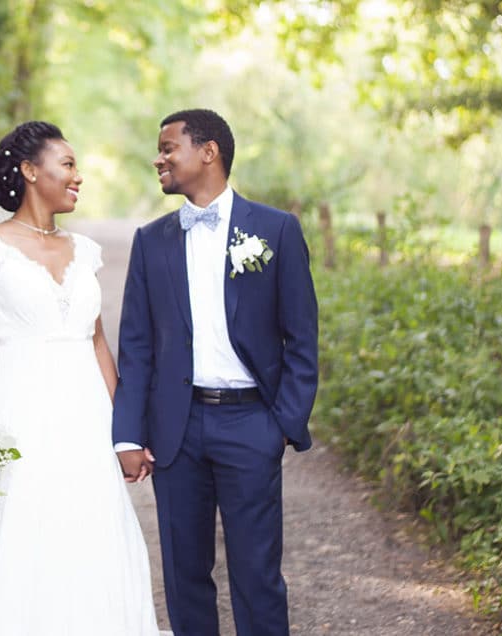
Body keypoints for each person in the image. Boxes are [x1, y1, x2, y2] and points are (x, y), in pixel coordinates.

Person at [0, 121, 160, 636]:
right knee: (23, 539)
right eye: (68, 164)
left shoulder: (86, 252)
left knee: (92, 537)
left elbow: (97, 341)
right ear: (31, 170)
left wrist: (128, 431)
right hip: (20, 421)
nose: (79, 176)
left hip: (87, 421)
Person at [112, 109, 318, 636]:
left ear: (209, 152)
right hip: (175, 432)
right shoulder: (150, 239)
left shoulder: (275, 230)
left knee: (256, 575)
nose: (158, 158)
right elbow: (136, 347)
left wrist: (281, 425)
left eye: (168, 147)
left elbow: (302, 338)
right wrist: (128, 435)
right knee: (184, 577)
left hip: (251, 424)